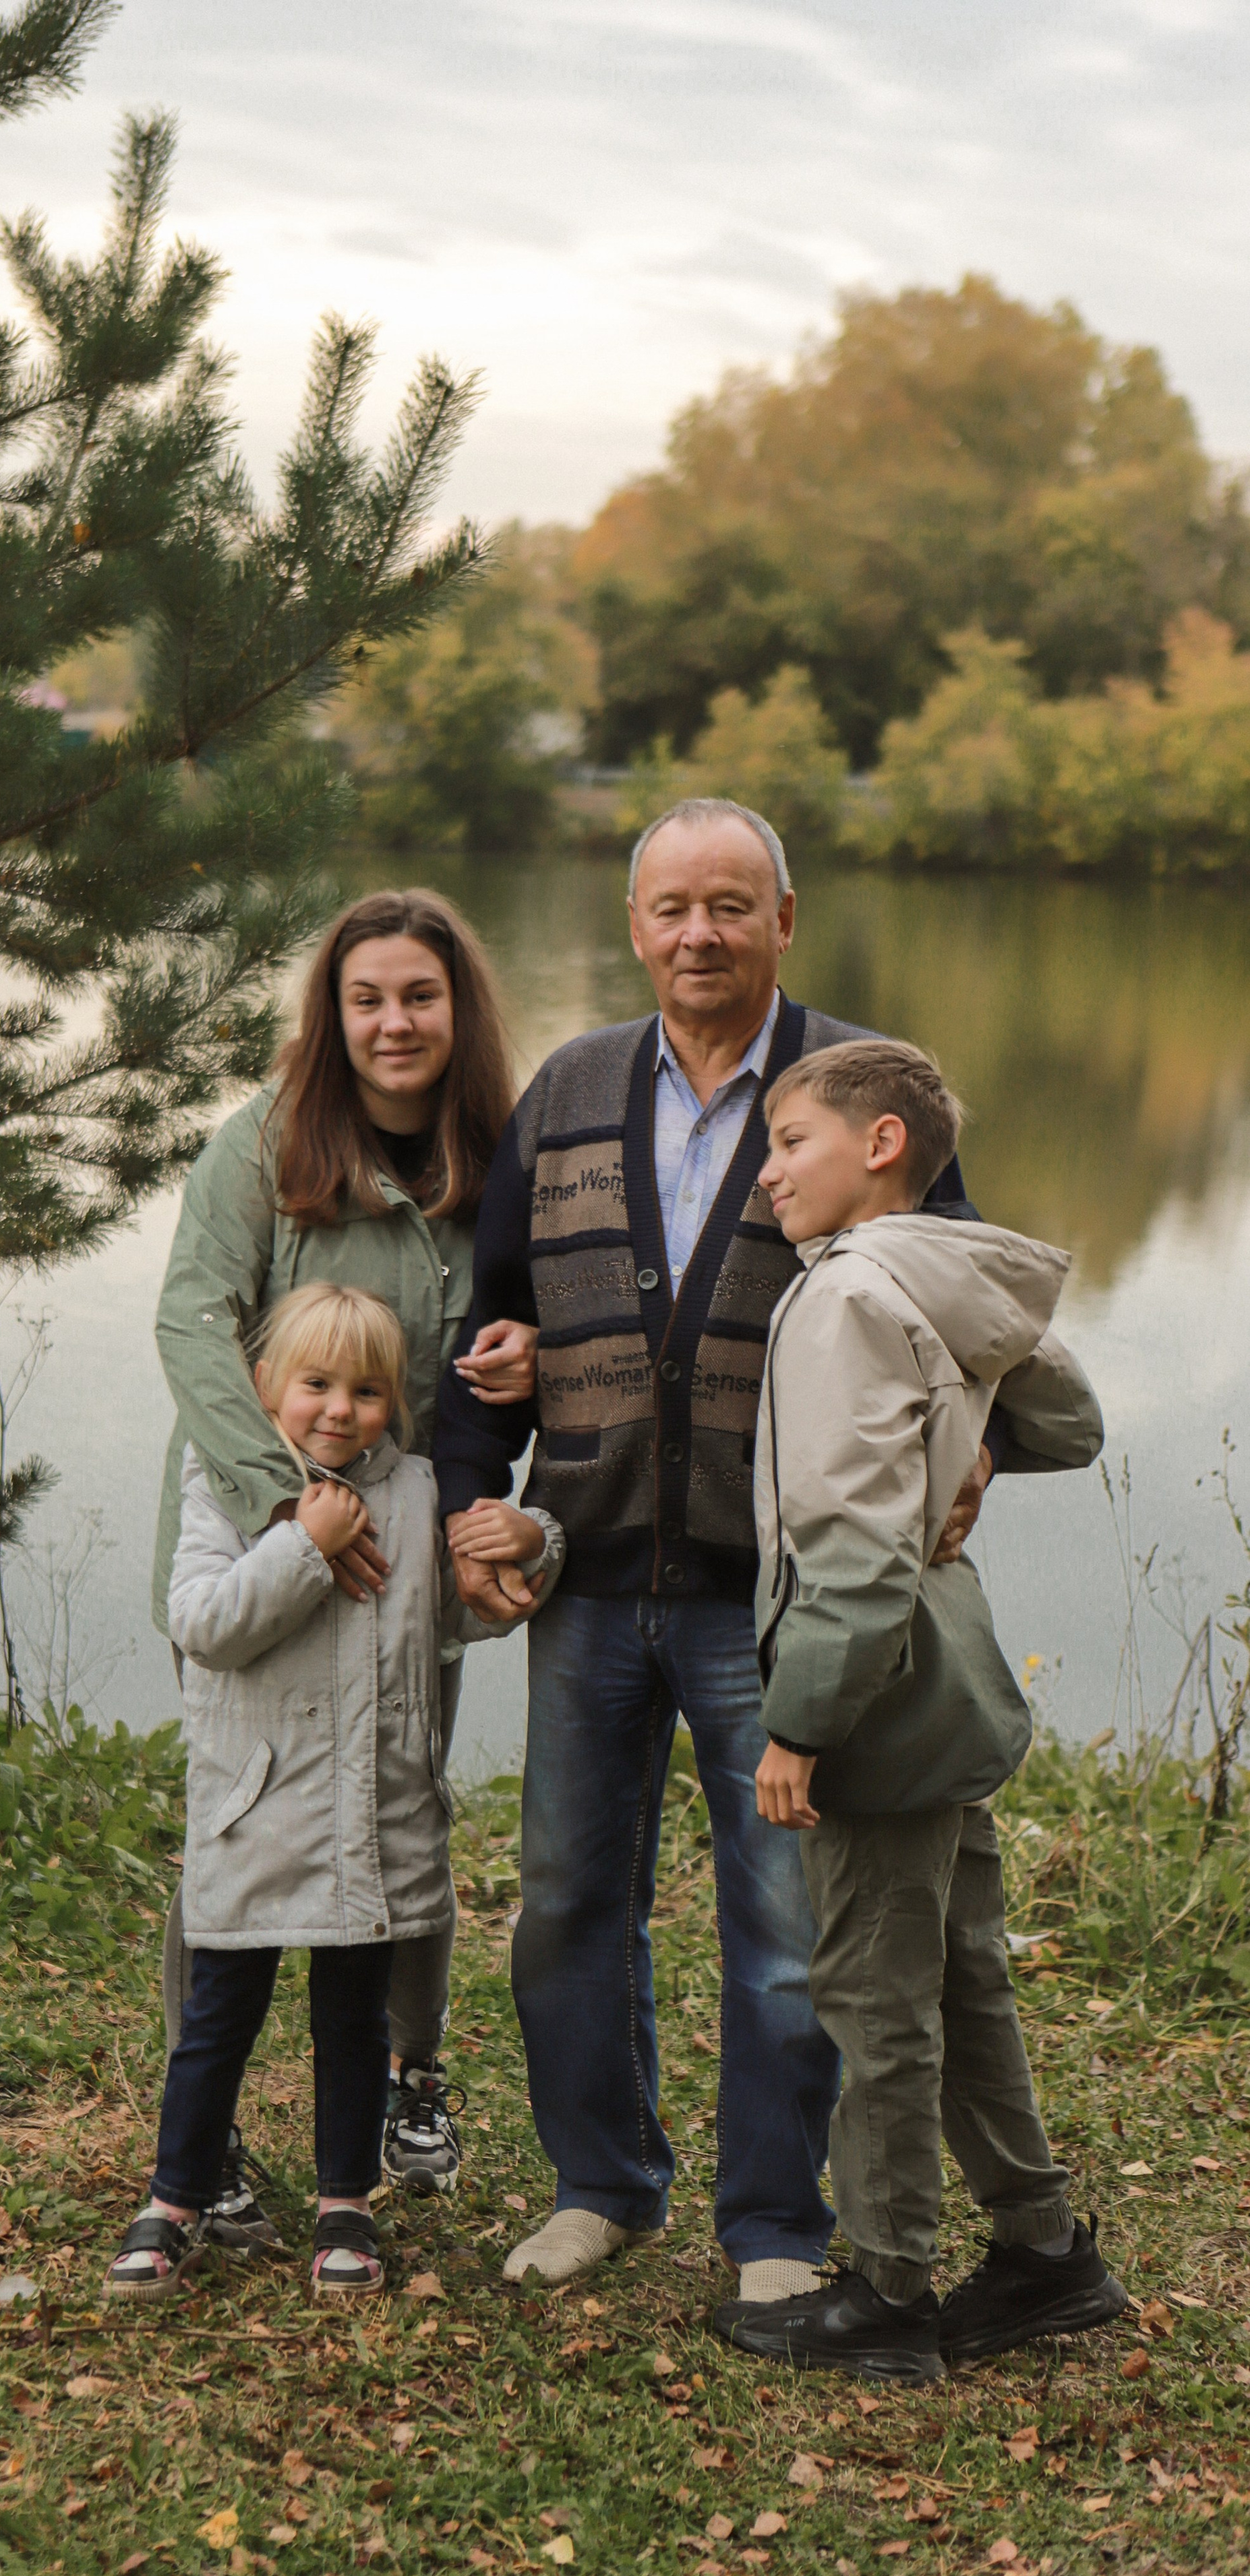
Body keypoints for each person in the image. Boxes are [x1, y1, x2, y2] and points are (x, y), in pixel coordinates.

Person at [435, 798, 1001, 2302]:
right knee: (563, 1898)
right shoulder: (565, 1089)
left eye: (730, 906)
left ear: (782, 920)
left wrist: (977, 1446)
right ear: (633, 925)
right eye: (671, 906)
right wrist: (466, 1498)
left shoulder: (860, 1093)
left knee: (778, 1923)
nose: (699, 933)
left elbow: (963, 1305)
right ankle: (600, 2186)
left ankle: (769, 2225)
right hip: (588, 1570)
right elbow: (481, 1327)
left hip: (778, 1602)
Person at [711, 1039, 1124, 2379]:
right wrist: (974, 1440)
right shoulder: (939, 1274)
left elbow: (849, 1546)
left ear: (877, 1145)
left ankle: (887, 2293)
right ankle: (1044, 2252)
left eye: (789, 1142)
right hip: (948, 1679)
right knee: (958, 1975)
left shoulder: (842, 1297)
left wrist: (798, 1723)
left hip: (880, 1697)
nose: (764, 1170)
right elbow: (1063, 1421)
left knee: (872, 1997)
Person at [152, 890, 539, 2244]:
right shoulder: (260, 1147)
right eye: (366, 997)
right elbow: (191, 1321)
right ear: (331, 1013)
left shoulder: (498, 1154)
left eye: (418, 997)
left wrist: (521, 1380)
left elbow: (531, 1331)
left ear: (456, 1011)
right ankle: (205, 2138)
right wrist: (285, 1507)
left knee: (399, 1797)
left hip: (415, 1544)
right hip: (271, 1532)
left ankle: (405, 2074)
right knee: (240, 1805)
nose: (393, 1022)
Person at [107, 1285, 561, 2304]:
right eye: (315, 1384)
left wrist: (534, 1541)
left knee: (354, 2023)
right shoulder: (226, 1483)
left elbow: (470, 1612)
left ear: (394, 1402)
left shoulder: (417, 1491)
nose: (339, 1410)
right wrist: (301, 1544)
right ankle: (175, 2197)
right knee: (221, 2016)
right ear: (267, 1387)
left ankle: (344, 2204)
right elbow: (205, 1623)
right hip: (256, 1812)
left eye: (366, 1390)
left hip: (375, 1813)